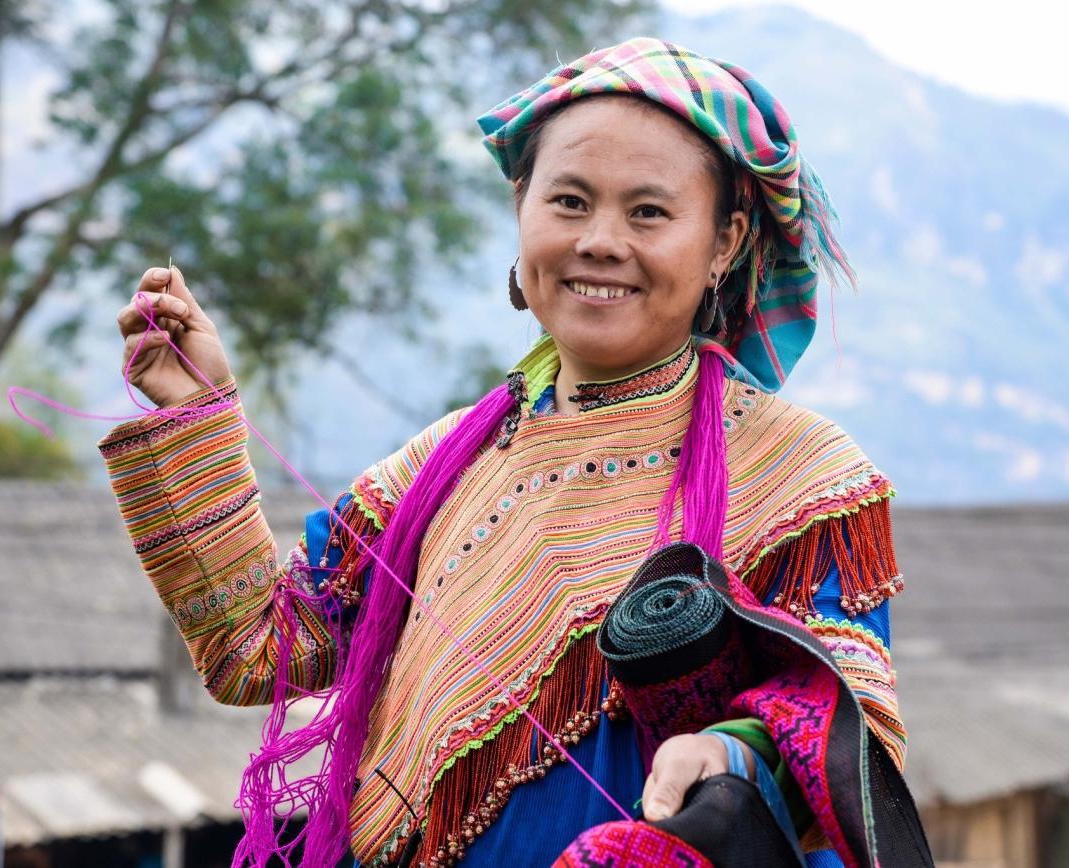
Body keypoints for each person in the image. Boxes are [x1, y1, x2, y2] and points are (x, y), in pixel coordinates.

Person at [103, 37, 912, 867]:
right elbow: (258, 652)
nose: (601, 241)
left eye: (648, 212)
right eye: (569, 201)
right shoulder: (437, 468)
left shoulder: (802, 479)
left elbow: (850, 737)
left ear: (725, 242)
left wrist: (730, 756)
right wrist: (197, 414)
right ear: (522, 206)